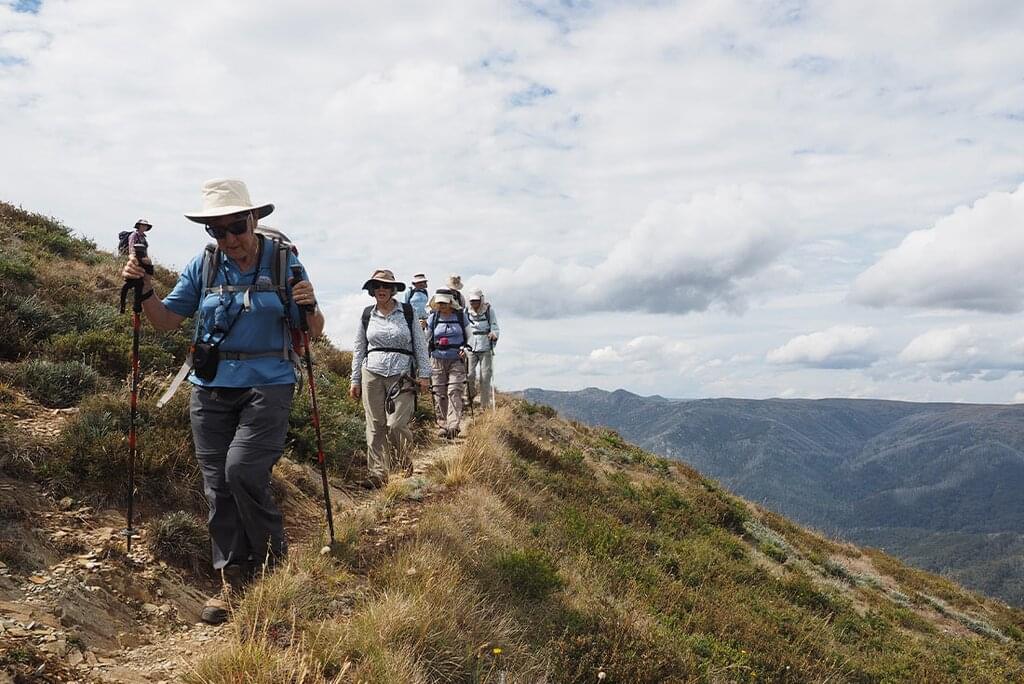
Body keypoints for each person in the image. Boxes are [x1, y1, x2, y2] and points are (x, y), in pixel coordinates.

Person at [121, 178, 323, 625]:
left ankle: (271, 567)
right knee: (217, 485)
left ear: (253, 220)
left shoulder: (284, 261)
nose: (229, 239)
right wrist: (145, 287)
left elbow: (314, 330)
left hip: (269, 383)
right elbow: (166, 321)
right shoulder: (206, 264)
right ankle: (233, 582)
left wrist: (309, 305)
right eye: (217, 230)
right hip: (211, 386)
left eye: (236, 227)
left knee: (242, 470)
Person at [350, 269, 430, 488]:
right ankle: (377, 473)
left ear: (393, 289)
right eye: (377, 286)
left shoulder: (407, 312)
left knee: (396, 424)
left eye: (386, 286)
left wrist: (424, 375)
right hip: (371, 373)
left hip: (402, 374)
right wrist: (355, 379)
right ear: (372, 290)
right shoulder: (367, 314)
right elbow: (359, 348)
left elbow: (420, 345)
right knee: (375, 424)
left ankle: (404, 462)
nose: (381, 289)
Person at [426, 291, 468, 438]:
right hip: (437, 359)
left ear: (451, 302)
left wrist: (466, 349)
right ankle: (443, 424)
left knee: (454, 390)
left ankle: (453, 425)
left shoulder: (461, 317)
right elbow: (427, 338)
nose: (441, 305)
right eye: (439, 302)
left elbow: (470, 337)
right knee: (439, 392)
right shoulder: (433, 318)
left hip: (457, 359)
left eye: (444, 302)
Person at [465, 288, 499, 410]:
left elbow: (494, 326)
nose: (474, 303)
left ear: (481, 300)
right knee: (469, 374)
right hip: (470, 345)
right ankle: (469, 397)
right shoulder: (466, 311)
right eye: (472, 301)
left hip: (485, 346)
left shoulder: (489, 310)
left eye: (476, 301)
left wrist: (494, 334)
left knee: (485, 376)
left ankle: (484, 405)